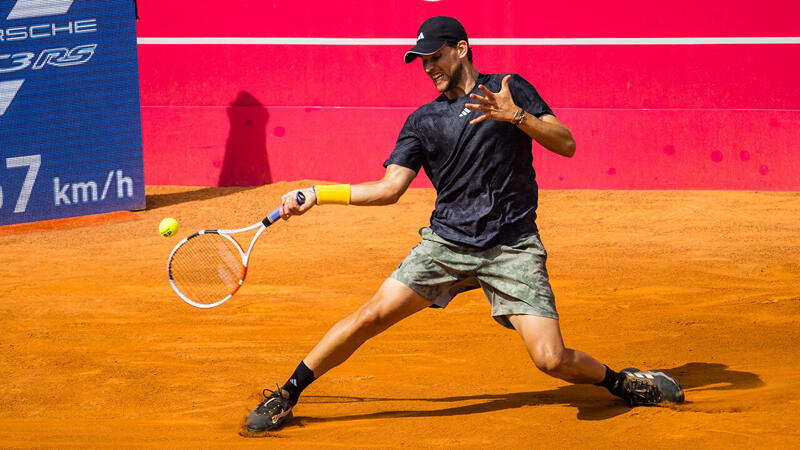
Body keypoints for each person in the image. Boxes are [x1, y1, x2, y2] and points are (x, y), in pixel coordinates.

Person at [246, 16, 684, 433]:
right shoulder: (422, 121)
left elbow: (566, 144)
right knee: (370, 316)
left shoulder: (509, 89)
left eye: (435, 56)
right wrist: (319, 193)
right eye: (422, 61)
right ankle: (286, 393)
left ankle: (624, 383)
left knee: (551, 360)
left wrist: (515, 116)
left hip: (511, 247)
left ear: (461, 48)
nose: (428, 67)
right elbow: (389, 188)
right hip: (448, 245)